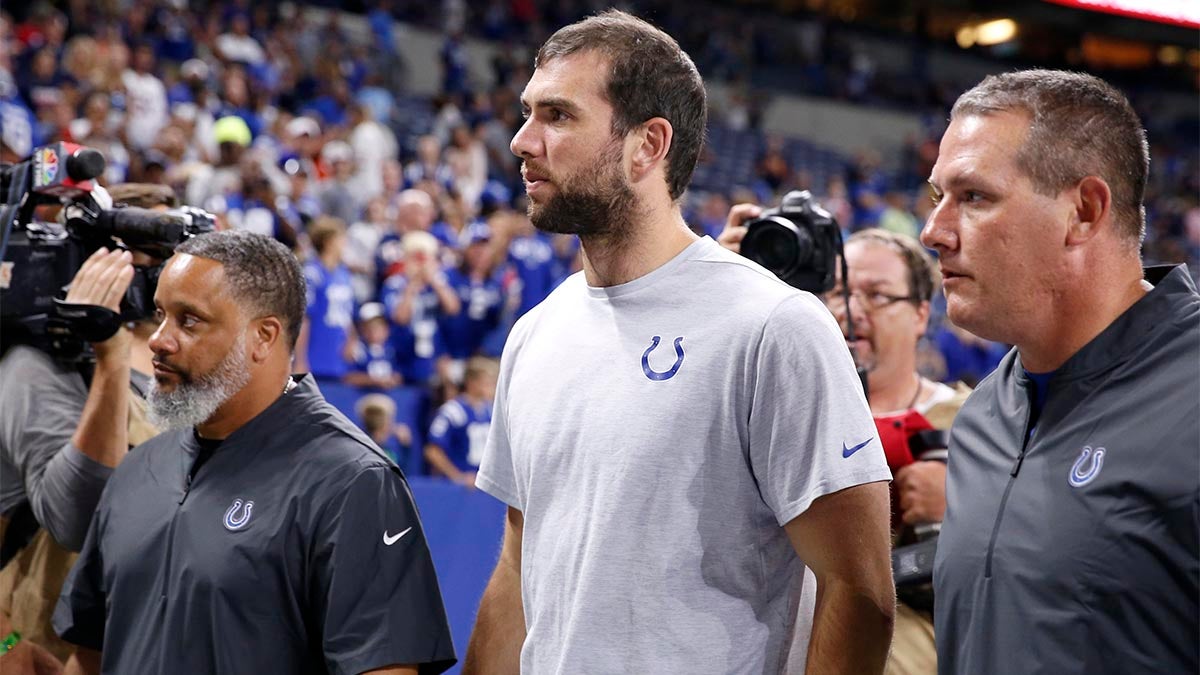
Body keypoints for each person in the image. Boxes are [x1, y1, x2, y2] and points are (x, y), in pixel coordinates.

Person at [464, 11, 894, 675]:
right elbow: (518, 566)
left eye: (557, 115)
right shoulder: (535, 332)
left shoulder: (773, 326)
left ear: (647, 145)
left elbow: (860, 590)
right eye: (527, 113)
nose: (522, 140)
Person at [52, 231, 456, 674]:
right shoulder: (139, 467)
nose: (159, 340)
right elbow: (89, 655)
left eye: (190, 321)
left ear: (263, 337)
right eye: (161, 315)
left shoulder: (352, 481)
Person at [922, 70, 1199, 674]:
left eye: (973, 197)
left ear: (1083, 211)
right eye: (936, 196)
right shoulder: (981, 419)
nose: (934, 231)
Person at [720, 218, 969, 675]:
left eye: (876, 295)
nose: (850, 310)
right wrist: (723, 290)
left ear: (919, 313)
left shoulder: (977, 418)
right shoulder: (774, 414)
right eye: (837, 291)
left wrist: (969, 508)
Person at [0, 184, 174, 670]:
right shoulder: (38, 368)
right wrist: (111, 353)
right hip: (52, 649)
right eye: (154, 255)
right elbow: (76, 520)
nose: (170, 271)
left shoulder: (180, 366)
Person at [424, 357, 498, 488]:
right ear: (471, 382)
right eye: (487, 383)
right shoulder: (453, 411)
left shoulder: (490, 410)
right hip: (461, 489)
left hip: (483, 486)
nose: (492, 388)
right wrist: (457, 476)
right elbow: (433, 451)